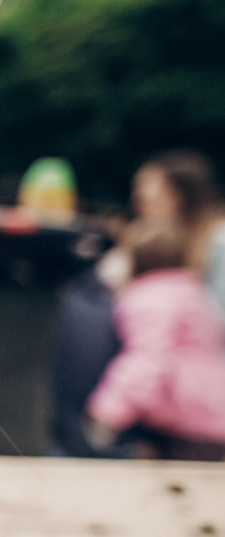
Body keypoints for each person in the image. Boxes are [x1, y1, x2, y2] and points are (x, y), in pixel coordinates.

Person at [87, 220, 225, 461]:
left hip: (185, 421)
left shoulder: (148, 297)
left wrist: (108, 412)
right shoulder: (193, 292)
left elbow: (148, 358)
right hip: (212, 414)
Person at [131, 150, 225, 317]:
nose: (143, 213)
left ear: (182, 199)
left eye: (153, 203)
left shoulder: (218, 241)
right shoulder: (159, 246)